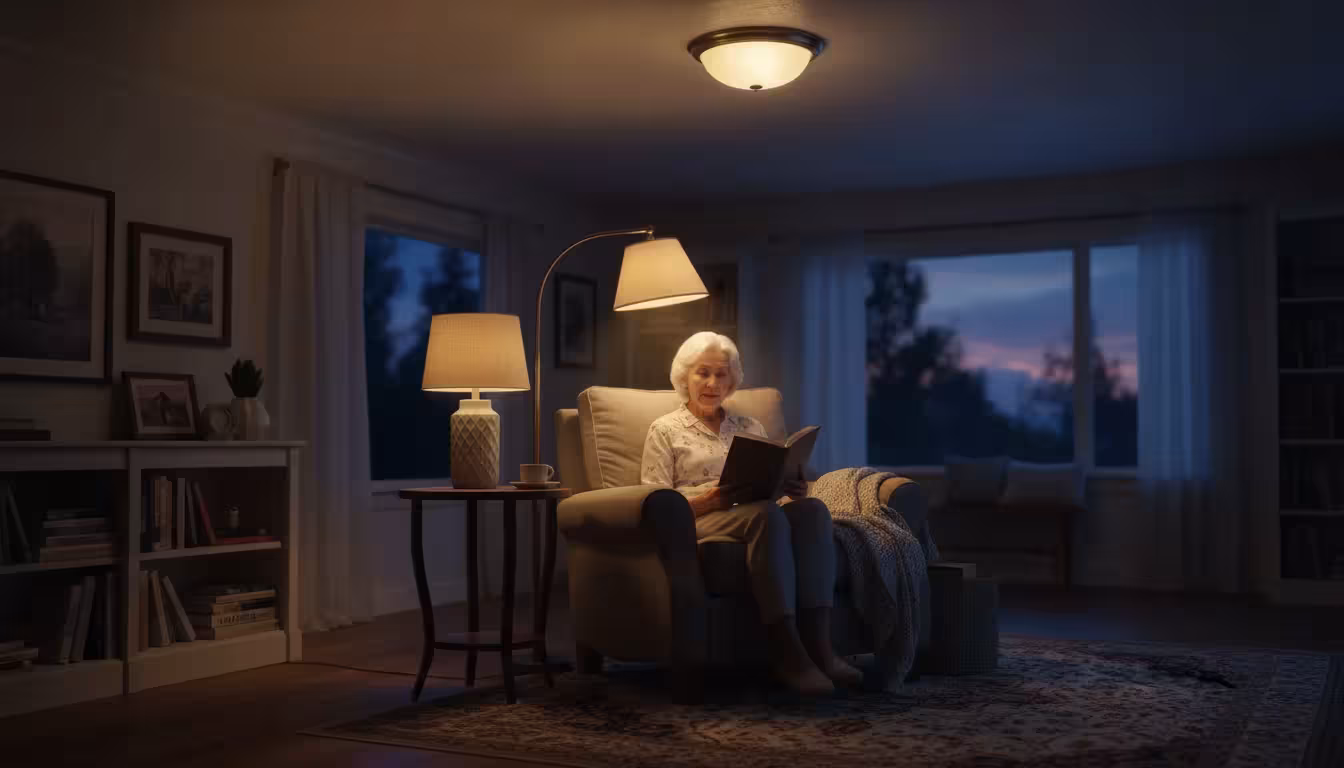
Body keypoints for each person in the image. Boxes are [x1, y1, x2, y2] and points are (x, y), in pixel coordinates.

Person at [640, 331, 862, 695]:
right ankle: (787, 652)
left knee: (812, 512)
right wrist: (708, 500)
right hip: (698, 517)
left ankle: (821, 648)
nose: (712, 383)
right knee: (765, 517)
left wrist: (790, 486)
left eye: (722, 373)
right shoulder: (664, 429)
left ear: (733, 379)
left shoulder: (749, 427)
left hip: (755, 511)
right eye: (702, 373)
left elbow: (770, 487)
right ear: (684, 376)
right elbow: (654, 503)